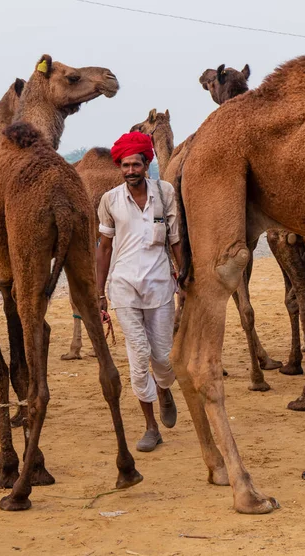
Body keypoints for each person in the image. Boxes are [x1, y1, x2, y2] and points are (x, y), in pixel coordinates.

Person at [97, 131, 181, 452]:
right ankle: (150, 426)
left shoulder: (165, 192)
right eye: (125, 165)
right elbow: (104, 248)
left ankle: (164, 389)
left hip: (160, 285)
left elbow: (175, 239)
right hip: (124, 287)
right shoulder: (111, 200)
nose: (130, 170)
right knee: (138, 355)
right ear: (120, 166)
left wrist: (183, 273)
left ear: (147, 164)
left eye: (136, 164)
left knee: (162, 356)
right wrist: (99, 292)